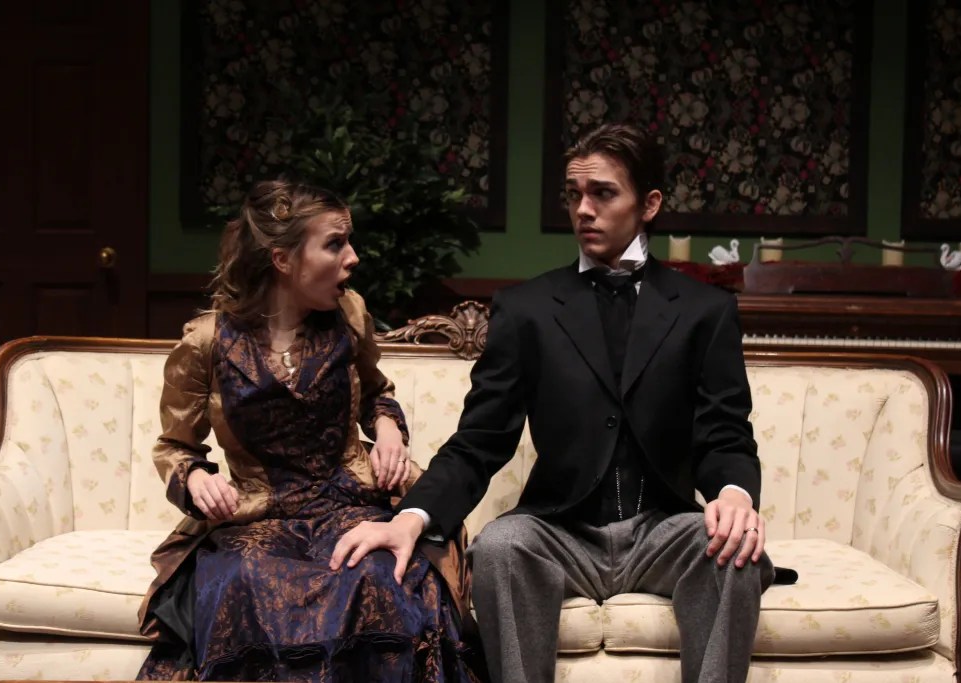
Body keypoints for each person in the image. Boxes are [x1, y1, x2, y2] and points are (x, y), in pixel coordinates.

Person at [331, 122, 788, 683]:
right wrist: (411, 517)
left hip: (665, 529)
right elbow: (480, 441)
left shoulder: (704, 311)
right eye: (574, 195)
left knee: (735, 551)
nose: (584, 210)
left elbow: (725, 432)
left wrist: (734, 493)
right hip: (560, 531)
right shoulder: (527, 309)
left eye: (603, 193)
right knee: (500, 546)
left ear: (649, 204)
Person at [136, 180, 485, 682]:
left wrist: (388, 429)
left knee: (381, 574)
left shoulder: (349, 315)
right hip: (260, 517)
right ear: (283, 259)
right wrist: (195, 479)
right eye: (335, 243)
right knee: (244, 583)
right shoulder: (208, 343)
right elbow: (175, 446)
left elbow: (376, 392)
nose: (353, 257)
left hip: (354, 500)